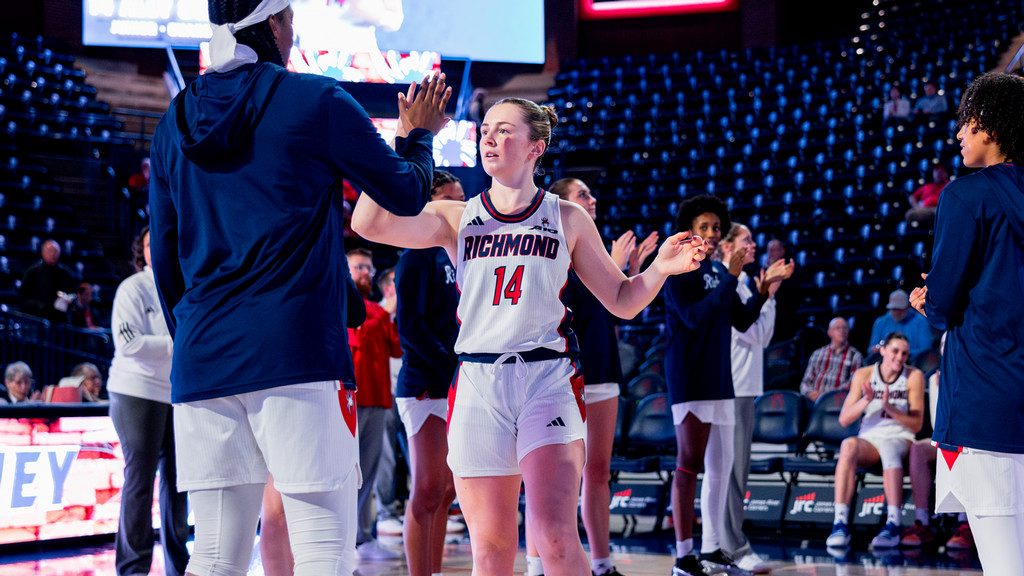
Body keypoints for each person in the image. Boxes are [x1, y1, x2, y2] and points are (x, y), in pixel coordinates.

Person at [147, 0, 450, 572]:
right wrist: (418, 137)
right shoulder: (316, 100)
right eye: (289, 18)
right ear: (272, 25)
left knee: (213, 556)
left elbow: (164, 257)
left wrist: (193, 338)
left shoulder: (174, 120)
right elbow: (407, 194)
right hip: (298, 353)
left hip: (203, 360)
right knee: (323, 553)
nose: (294, 29)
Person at [351, 97, 707, 576]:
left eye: (504, 130)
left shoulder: (568, 217)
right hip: (478, 381)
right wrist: (407, 141)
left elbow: (622, 299)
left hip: (547, 380)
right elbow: (368, 222)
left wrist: (660, 268)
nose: (489, 138)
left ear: (536, 147)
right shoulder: (456, 216)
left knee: (555, 538)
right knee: (491, 550)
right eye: (485, 130)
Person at [909, 72, 1024, 575]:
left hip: (983, 399)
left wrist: (930, 297)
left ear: (992, 125)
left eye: (968, 121)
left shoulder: (963, 195)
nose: (959, 133)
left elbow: (943, 302)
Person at [523, 177, 659, 576]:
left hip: (602, 369)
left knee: (598, 472)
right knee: (549, 480)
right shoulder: (550, 248)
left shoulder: (597, 249)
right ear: (562, 204)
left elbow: (618, 312)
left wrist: (630, 276)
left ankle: (602, 563)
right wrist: (614, 270)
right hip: (563, 374)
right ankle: (536, 566)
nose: (592, 199)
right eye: (582, 194)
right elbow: (570, 312)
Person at [663, 194, 792, 576]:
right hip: (690, 374)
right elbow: (693, 317)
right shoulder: (678, 268)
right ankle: (683, 556)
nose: (711, 233)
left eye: (716, 227)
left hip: (721, 377)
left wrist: (765, 290)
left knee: (720, 467)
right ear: (689, 230)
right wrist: (733, 278)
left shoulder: (720, 274)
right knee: (689, 464)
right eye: (703, 227)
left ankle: (712, 549)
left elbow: (741, 320)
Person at [107, 227, 189, 576]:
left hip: (177, 394)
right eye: (148, 243)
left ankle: (179, 565)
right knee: (140, 481)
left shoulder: (185, 287)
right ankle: (133, 567)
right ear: (141, 251)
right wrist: (179, 344)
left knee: (179, 484)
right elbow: (129, 344)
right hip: (136, 392)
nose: (156, 247)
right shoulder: (133, 288)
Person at [393, 170, 464, 576]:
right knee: (428, 489)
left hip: (455, 384)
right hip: (426, 385)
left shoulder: (461, 251)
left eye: (462, 197)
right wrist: (453, 367)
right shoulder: (416, 254)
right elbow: (410, 326)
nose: (460, 205)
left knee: (448, 490)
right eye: (451, 198)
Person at [719, 223, 790, 573]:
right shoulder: (730, 284)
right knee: (732, 471)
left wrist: (769, 295)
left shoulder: (745, 283)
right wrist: (768, 296)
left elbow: (762, 334)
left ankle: (724, 545)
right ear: (727, 245)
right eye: (746, 239)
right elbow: (754, 333)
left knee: (734, 470)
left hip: (741, 386)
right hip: (733, 386)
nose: (754, 245)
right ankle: (733, 547)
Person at [825, 332, 925, 549]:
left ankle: (894, 522)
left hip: (900, 437)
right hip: (870, 439)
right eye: (895, 351)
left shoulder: (913, 376)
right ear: (883, 350)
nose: (900, 357)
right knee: (848, 445)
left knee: (889, 447)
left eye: (904, 353)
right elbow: (844, 419)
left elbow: (917, 425)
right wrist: (866, 400)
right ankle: (840, 522)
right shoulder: (864, 374)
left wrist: (890, 408)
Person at [347, 247, 403, 561]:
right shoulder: (344, 304)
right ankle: (350, 534)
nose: (366, 272)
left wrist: (388, 315)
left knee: (369, 471)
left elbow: (396, 349)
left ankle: (363, 533)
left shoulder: (377, 310)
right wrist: (385, 313)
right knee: (351, 471)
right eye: (359, 267)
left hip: (379, 398)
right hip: (354, 398)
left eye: (369, 267)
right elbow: (357, 337)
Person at [900, 333, 975, 551]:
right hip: (946, 439)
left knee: (961, 445)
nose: (947, 348)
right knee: (918, 449)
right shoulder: (935, 379)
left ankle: (965, 523)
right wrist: (945, 391)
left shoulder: (976, 376)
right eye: (944, 345)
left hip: (972, 440)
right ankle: (922, 522)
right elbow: (937, 423)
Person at [799, 317, 864, 402]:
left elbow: (853, 384)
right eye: (837, 328)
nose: (841, 331)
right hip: (812, 399)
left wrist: (825, 396)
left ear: (848, 331)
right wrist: (810, 393)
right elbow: (806, 381)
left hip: (836, 401)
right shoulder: (817, 354)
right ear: (829, 332)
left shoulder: (855, 356)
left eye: (845, 328)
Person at [18, 239, 77, 324]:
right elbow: (23, 297)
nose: (53, 254)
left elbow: (73, 294)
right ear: (43, 253)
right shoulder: (32, 272)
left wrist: (67, 301)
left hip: (60, 318)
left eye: (55, 251)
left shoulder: (66, 273)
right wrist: (39, 307)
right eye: (50, 251)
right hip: (37, 318)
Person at [868, 289, 933, 356]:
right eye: (894, 309)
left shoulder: (920, 321)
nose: (896, 312)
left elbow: (926, 350)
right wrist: (875, 350)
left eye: (899, 309)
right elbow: (870, 349)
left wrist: (901, 353)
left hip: (912, 360)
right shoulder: (880, 322)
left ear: (907, 307)